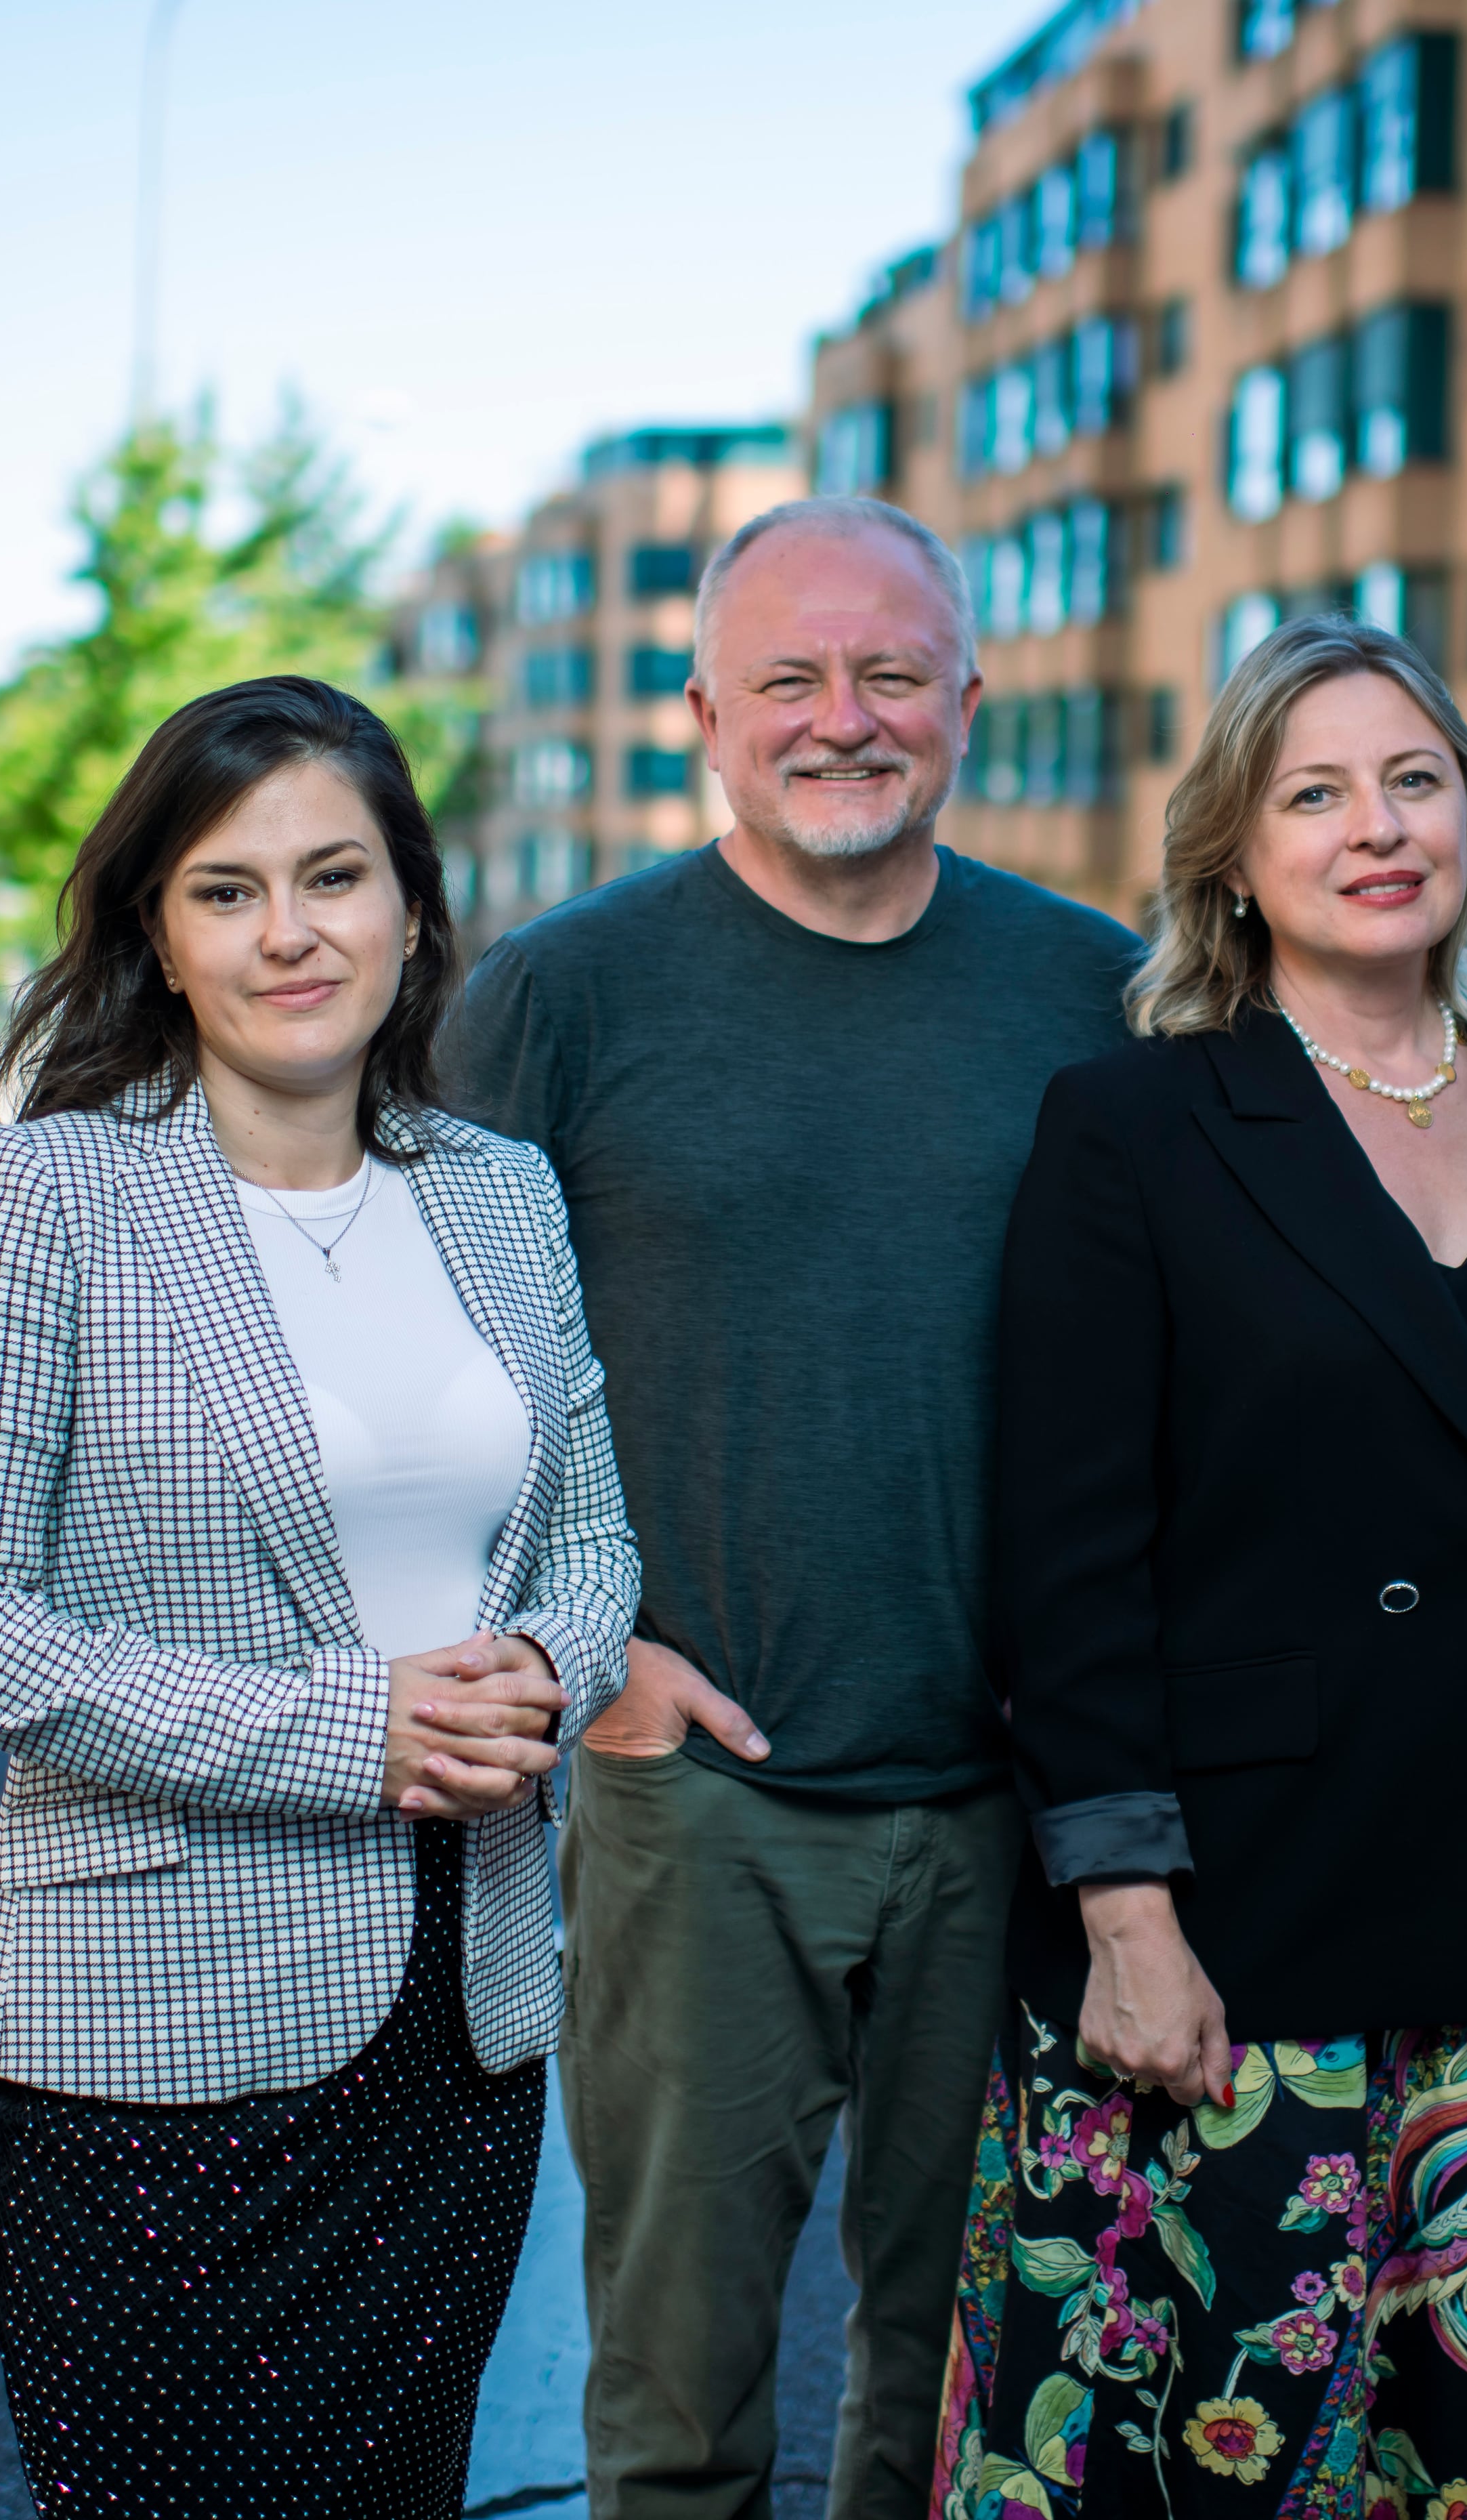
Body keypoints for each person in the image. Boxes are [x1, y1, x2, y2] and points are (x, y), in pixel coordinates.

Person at [931, 617, 1467, 2518]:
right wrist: (1123, 1915)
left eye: (1415, 780)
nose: (1379, 828)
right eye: (1318, 791)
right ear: (1234, 855)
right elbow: (1069, 1553)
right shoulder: (1142, 1123)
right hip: (1240, 1921)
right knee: (1216, 2450)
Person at [0, 675, 640, 2520]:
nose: (290, 933)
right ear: (159, 929)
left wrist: (541, 1662)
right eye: (227, 889)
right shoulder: (44, 1196)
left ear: (414, 908)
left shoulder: (500, 1196)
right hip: (153, 2028)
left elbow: (596, 1538)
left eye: (335, 876)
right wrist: (350, 1728)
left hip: (460, 2013)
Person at [439, 497, 1143, 2518]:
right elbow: (442, 1371)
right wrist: (603, 1670)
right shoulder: (563, 996)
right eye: (789, 681)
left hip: (1018, 1806)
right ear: (704, 716)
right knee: (680, 2401)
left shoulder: (1093, 997)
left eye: (891, 674)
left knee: (965, 2395)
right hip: (699, 1802)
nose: (844, 718)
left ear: (967, 703)